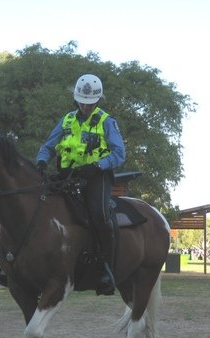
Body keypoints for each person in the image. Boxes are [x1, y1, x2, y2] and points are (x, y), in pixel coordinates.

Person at [36, 74, 126, 295]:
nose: (86, 107)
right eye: (82, 102)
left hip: (97, 176)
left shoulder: (107, 121)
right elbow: (48, 146)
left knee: (100, 214)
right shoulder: (66, 120)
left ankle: (107, 270)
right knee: (37, 202)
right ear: (76, 99)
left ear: (97, 101)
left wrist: (96, 166)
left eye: (90, 103)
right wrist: (41, 161)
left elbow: (119, 153)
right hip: (68, 175)